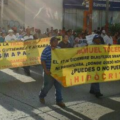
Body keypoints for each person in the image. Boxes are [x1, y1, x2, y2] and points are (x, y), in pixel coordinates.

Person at [39, 36, 65, 108]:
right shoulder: (46, 50)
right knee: (47, 86)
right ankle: (42, 96)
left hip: (58, 72)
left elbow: (63, 58)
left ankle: (59, 101)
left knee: (58, 86)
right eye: (55, 41)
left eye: (57, 41)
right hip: (49, 72)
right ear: (51, 42)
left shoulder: (59, 49)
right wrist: (46, 70)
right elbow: (42, 60)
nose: (57, 42)